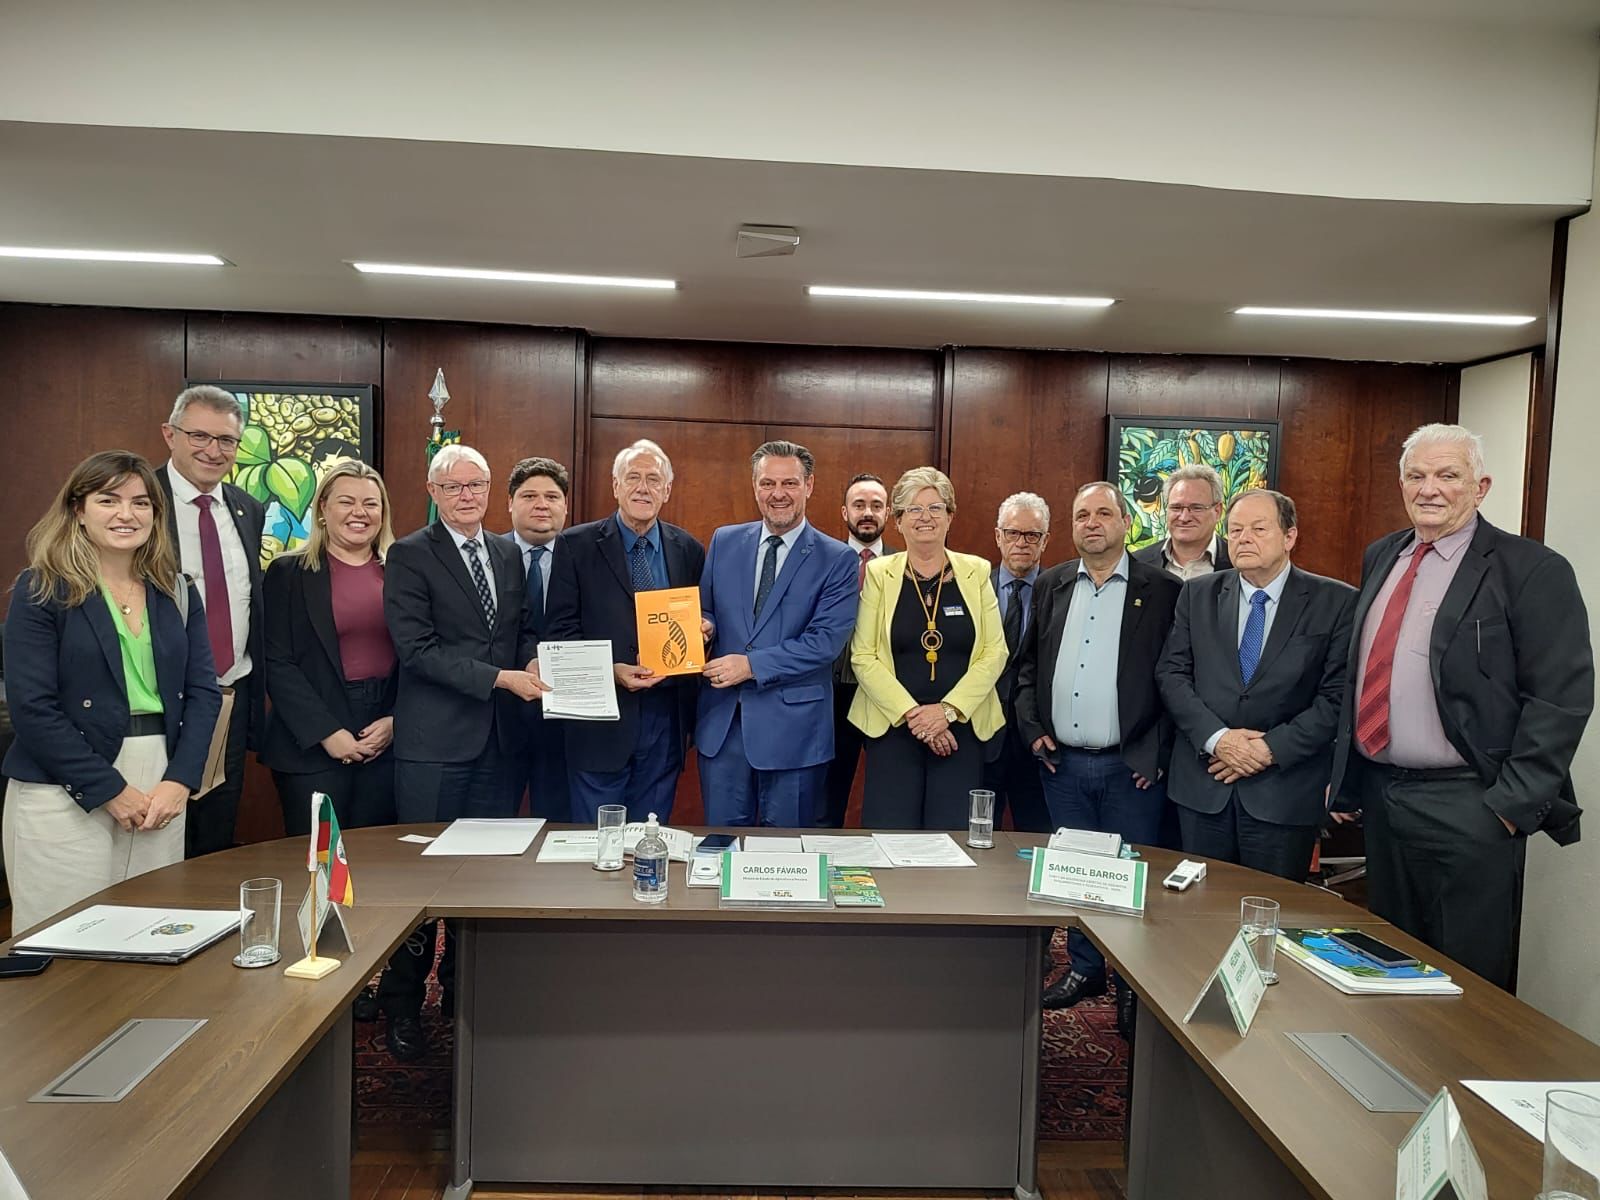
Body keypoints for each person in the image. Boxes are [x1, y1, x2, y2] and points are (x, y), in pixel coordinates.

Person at [1329, 424, 1592, 991]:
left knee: (1468, 983)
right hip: (1383, 796)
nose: (1429, 488)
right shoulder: (1383, 555)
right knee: (1391, 965)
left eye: (1448, 475)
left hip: (1471, 802)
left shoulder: (1530, 569)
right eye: (1416, 475)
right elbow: (1362, 671)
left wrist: (1507, 806)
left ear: (1481, 486)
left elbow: (1561, 697)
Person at [3, 451, 222, 933]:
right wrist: (109, 790)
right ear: (78, 509)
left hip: (160, 780)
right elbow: (32, 707)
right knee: (62, 938)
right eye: (108, 500)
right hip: (65, 782)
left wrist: (181, 780)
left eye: (141, 503)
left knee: (153, 929)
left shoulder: (177, 590)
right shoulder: (42, 589)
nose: (127, 514)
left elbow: (204, 692)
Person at [378, 443, 545, 1061]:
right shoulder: (409, 555)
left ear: (491, 489)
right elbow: (416, 650)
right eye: (454, 487)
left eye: (477, 485)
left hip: (499, 743)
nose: (467, 495)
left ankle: (462, 995)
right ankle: (402, 1006)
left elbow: (519, 630)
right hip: (436, 745)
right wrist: (502, 678)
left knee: (485, 878)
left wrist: (531, 661)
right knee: (421, 885)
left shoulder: (506, 551)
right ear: (433, 492)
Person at [1014, 482, 1182, 1010]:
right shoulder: (1053, 583)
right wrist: (1032, 727)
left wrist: (1155, 753)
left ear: (1126, 523)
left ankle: (1132, 987)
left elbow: (1178, 678)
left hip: (1131, 767)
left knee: (1131, 877)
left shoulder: (1165, 590)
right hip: (1062, 765)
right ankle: (1085, 969)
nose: (1092, 523)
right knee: (1076, 875)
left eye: (1104, 513)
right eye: (1082, 514)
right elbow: (1028, 666)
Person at [1156, 489, 1356, 880]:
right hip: (1204, 786)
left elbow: (1337, 698)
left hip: (1283, 791)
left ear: (1290, 536)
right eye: (1235, 530)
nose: (1244, 539)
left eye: (1258, 529)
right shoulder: (1198, 594)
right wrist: (1219, 740)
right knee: (1198, 909)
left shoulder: (1336, 601)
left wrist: (1267, 749)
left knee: (1271, 907)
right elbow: (1172, 675)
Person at [696, 441, 859, 827]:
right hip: (724, 727)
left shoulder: (837, 559)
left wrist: (750, 665)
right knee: (720, 848)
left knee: (786, 853)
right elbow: (707, 608)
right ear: (755, 486)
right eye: (768, 483)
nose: (778, 494)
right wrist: (705, 626)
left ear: (809, 485)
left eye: (789, 483)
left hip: (796, 735)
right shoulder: (724, 541)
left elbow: (824, 642)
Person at [546, 439, 705, 822]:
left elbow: (702, 620)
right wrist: (611, 671)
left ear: (667, 490)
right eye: (633, 477)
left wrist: (705, 630)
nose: (643, 488)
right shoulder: (575, 545)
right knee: (596, 839)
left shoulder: (689, 549)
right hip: (600, 720)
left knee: (648, 838)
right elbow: (560, 634)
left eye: (654, 479)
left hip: (665, 721)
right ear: (615, 486)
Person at [848, 467, 1007, 829]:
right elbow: (863, 656)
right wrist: (917, 718)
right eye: (914, 509)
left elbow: (994, 652)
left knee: (953, 841)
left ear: (950, 517)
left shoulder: (977, 571)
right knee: (889, 838)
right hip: (893, 729)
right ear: (898, 521)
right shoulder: (879, 574)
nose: (925, 517)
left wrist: (946, 713)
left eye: (935, 508)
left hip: (961, 731)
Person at [260, 460, 399, 839]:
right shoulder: (287, 573)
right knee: (320, 858)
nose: (359, 512)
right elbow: (276, 661)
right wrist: (327, 733)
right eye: (346, 502)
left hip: (385, 739)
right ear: (322, 507)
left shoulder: (402, 572)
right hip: (310, 741)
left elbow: (418, 655)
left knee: (379, 856)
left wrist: (395, 721)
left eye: (370, 503)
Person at [155, 385, 265, 858]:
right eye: (199, 436)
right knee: (157, 833)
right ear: (170, 434)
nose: (213, 451)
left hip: (229, 698)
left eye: (227, 440)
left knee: (215, 836)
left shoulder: (247, 508)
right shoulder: (142, 502)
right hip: (159, 699)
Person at [500, 456, 571, 821]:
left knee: (559, 826)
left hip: (566, 721)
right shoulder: (487, 556)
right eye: (529, 496)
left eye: (552, 496)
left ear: (565, 506)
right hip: (498, 717)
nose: (541, 505)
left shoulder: (585, 557)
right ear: (510, 503)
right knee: (492, 828)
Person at [819, 473, 890, 827]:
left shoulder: (905, 566)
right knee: (826, 800)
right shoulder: (822, 561)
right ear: (844, 512)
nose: (868, 513)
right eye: (859, 505)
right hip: (829, 695)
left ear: (888, 512)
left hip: (883, 697)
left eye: (876, 505)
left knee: (885, 797)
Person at [985, 491, 1053, 834]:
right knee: (976, 835)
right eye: (1013, 533)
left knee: (1036, 837)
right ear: (998, 536)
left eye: (1032, 535)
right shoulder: (974, 586)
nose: (1022, 543)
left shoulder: (1060, 591)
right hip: (981, 738)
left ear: (1045, 540)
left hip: (1038, 740)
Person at [1133, 463, 1231, 581]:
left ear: (1217, 511)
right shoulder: (1137, 563)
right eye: (1176, 507)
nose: (1184, 518)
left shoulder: (1237, 562)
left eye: (1196, 508)